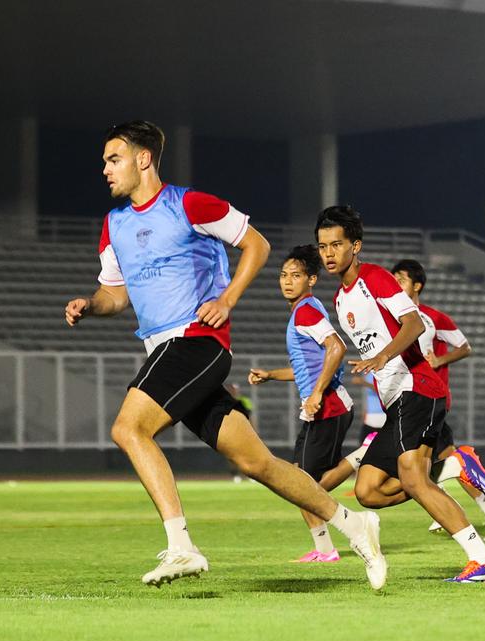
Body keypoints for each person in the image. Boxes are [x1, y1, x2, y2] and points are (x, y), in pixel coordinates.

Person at [64, 121, 386, 589]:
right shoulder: (114, 225)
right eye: (104, 162)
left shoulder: (190, 204)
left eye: (113, 159)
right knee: (257, 463)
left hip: (196, 342)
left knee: (128, 428)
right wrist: (90, 305)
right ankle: (354, 525)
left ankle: (181, 547)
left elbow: (257, 243)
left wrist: (228, 299)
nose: (105, 170)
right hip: (167, 351)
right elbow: (115, 294)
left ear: (143, 159)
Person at [316, 204, 485, 583]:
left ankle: (483, 560)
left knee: (414, 481)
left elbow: (414, 323)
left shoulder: (376, 279)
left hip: (417, 387)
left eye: (337, 245)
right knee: (368, 491)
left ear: (356, 246)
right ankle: (450, 468)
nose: (329, 253)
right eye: (323, 247)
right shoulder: (340, 299)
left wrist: (384, 355)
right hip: (397, 401)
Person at [248, 245, 373, 563]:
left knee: (300, 484)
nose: (287, 281)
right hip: (326, 407)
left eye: (297, 275)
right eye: (284, 275)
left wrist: (316, 393)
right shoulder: (305, 309)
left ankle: (362, 457)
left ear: (312, 279)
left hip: (328, 407)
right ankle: (325, 549)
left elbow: (337, 347)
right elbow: (310, 365)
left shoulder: (306, 310)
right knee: (302, 482)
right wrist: (272, 375)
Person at [390, 259, 485, 541]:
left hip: (429, 398)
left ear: (417, 285)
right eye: (393, 279)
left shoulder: (431, 318)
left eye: (401, 279)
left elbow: (465, 346)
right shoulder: (389, 317)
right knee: (428, 465)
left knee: (439, 462)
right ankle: (464, 512)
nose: (395, 284)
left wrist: (440, 359)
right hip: (405, 398)